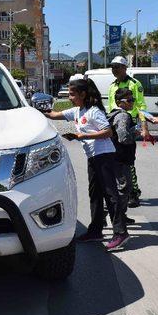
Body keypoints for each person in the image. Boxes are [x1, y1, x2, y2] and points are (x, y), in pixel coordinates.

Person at [43, 79, 129, 251]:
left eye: (72, 94)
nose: (70, 97)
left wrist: (82, 136)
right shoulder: (77, 110)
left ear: (83, 94)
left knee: (110, 194)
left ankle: (120, 232)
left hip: (104, 155)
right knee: (95, 194)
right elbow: (54, 115)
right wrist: (39, 110)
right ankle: (96, 230)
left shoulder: (94, 111)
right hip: (93, 157)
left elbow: (108, 132)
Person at [107, 55, 154, 208]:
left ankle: (133, 193)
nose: (114, 70)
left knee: (128, 162)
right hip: (115, 125)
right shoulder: (112, 86)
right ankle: (122, 192)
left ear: (125, 68)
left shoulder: (134, 84)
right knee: (117, 162)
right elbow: (110, 109)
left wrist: (144, 127)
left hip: (130, 124)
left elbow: (141, 107)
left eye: (117, 67)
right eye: (113, 67)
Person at [107, 88, 138, 230]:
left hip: (116, 157)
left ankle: (117, 215)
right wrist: (135, 134)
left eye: (133, 99)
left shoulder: (115, 114)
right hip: (121, 157)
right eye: (129, 100)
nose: (132, 102)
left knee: (120, 187)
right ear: (120, 102)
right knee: (123, 188)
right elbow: (123, 137)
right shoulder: (123, 116)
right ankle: (118, 216)